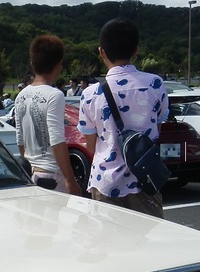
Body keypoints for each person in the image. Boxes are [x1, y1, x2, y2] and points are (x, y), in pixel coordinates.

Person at [78, 17, 169, 218]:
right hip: (145, 181)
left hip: (106, 183)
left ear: (101, 51)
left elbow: (91, 146)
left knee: (109, 246)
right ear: (136, 50)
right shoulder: (155, 84)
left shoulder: (90, 94)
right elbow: (157, 132)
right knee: (148, 244)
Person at [14, 35, 80, 197]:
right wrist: (71, 180)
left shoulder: (21, 96)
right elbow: (57, 140)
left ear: (32, 63)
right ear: (59, 66)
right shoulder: (54, 95)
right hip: (52, 175)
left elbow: (20, 140)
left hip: (31, 172)